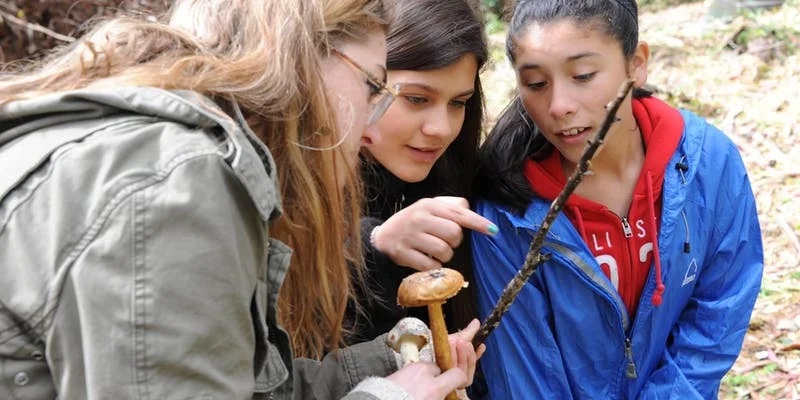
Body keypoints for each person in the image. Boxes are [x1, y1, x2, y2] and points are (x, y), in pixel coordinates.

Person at [0, 0, 480, 399]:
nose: (373, 127)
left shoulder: (158, 157)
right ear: (299, 55)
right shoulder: (173, 188)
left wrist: (394, 359)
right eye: (375, 87)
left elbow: (248, 386)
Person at [470, 0, 764, 398]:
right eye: (536, 84)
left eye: (583, 75)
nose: (559, 106)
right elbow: (524, 374)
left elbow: (718, 312)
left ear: (636, 64)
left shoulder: (707, 165)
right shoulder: (506, 211)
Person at [345, 0, 495, 345]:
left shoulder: (466, 178)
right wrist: (373, 245)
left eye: (458, 103)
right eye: (416, 99)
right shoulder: (284, 183)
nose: (441, 129)